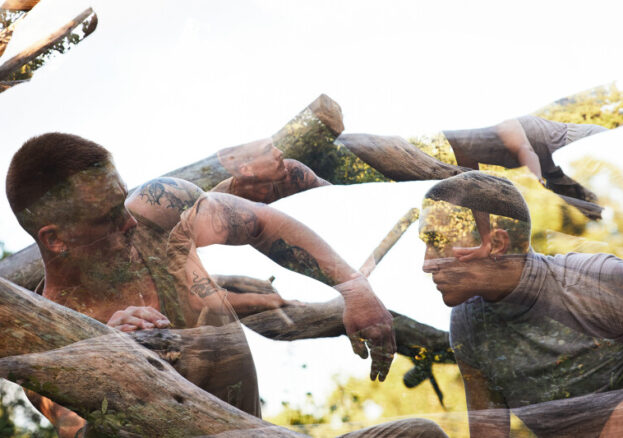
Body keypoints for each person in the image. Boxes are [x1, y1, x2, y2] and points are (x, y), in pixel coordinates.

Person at [5, 133, 397, 437]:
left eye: (121, 202)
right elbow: (79, 430)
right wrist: (109, 364)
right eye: (108, 216)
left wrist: (354, 288)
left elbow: (261, 223)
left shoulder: (159, 211)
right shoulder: (49, 341)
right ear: (55, 239)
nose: (129, 222)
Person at [419, 171, 623, 438]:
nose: (426, 264)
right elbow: (488, 431)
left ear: (497, 244)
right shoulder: (468, 321)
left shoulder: (599, 279)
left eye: (437, 242)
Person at [211, 137, 330, 203]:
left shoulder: (294, 173)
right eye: (267, 149)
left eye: (273, 145)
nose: (279, 152)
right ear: (246, 169)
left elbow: (337, 198)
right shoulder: (219, 204)